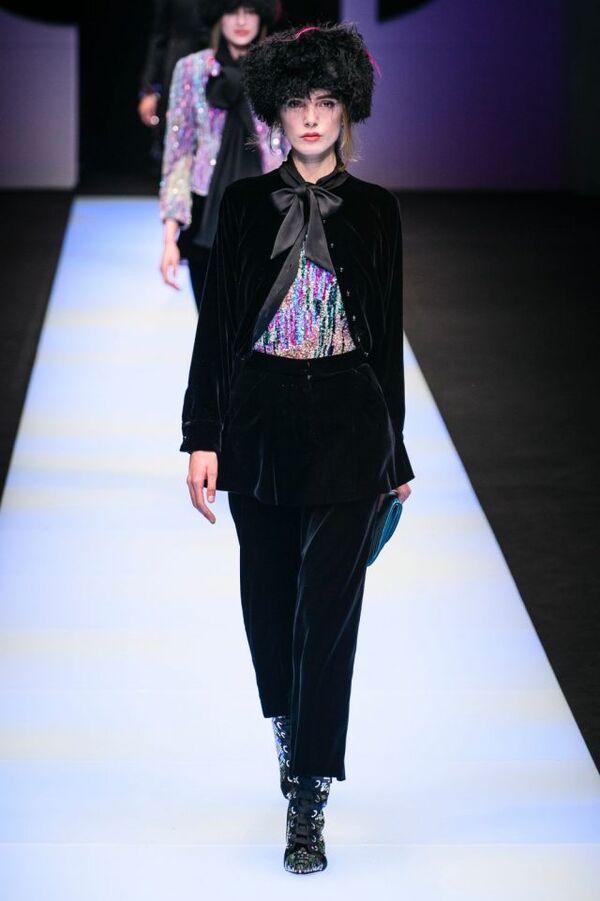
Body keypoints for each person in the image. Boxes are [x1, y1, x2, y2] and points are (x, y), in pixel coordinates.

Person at [181, 24, 414, 874]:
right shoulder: (246, 206)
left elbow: (387, 334)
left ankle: (309, 791)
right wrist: (201, 435)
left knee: (329, 614)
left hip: (351, 420)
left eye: (325, 102)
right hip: (262, 421)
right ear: (275, 112)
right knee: (269, 602)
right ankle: (288, 726)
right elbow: (216, 329)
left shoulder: (379, 210)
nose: (311, 117)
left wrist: (396, 455)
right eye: (296, 102)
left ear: (346, 110)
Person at [159, 1, 285, 309]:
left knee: (259, 325)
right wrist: (169, 239)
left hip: (270, 209)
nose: (241, 20)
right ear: (218, 15)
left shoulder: (280, 69)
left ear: (262, 15)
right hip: (206, 214)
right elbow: (179, 153)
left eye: (250, 10)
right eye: (231, 10)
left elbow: (291, 146)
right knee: (211, 323)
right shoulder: (192, 70)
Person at [138, 0, 212, 168]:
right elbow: (159, 36)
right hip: (178, 73)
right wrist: (149, 89)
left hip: (220, 71)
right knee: (178, 149)